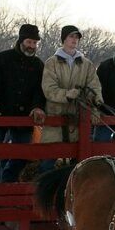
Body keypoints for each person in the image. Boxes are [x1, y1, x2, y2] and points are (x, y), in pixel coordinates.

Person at [0, 23, 45, 182]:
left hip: (24, 117)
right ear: (21, 40)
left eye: (35, 43)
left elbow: (40, 91)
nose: (32, 46)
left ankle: (7, 180)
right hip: (1, 112)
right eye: (29, 42)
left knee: (22, 154)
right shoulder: (3, 59)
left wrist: (37, 107)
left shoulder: (38, 65)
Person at [39, 25, 102, 172]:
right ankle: (43, 192)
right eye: (71, 36)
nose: (74, 40)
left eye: (77, 37)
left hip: (78, 120)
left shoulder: (86, 64)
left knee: (78, 165)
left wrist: (96, 104)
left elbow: (94, 87)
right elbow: (48, 89)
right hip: (55, 117)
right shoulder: (52, 63)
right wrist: (66, 94)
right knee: (48, 162)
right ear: (63, 39)